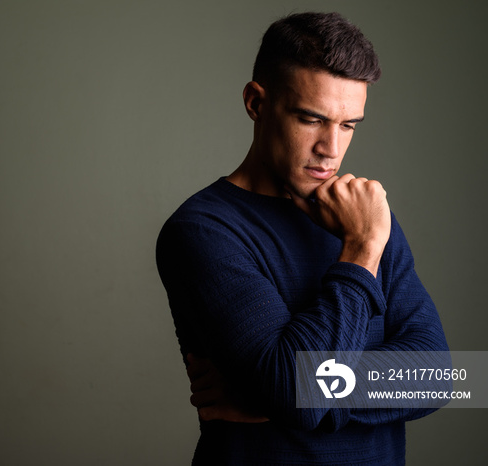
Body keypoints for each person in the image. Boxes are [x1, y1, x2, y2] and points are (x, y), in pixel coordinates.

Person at [155, 11, 449, 465]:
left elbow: (440, 377)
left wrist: (289, 398)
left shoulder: (367, 215)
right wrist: (362, 252)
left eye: (348, 124)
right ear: (257, 103)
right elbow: (296, 392)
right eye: (311, 119)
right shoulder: (203, 230)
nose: (331, 148)